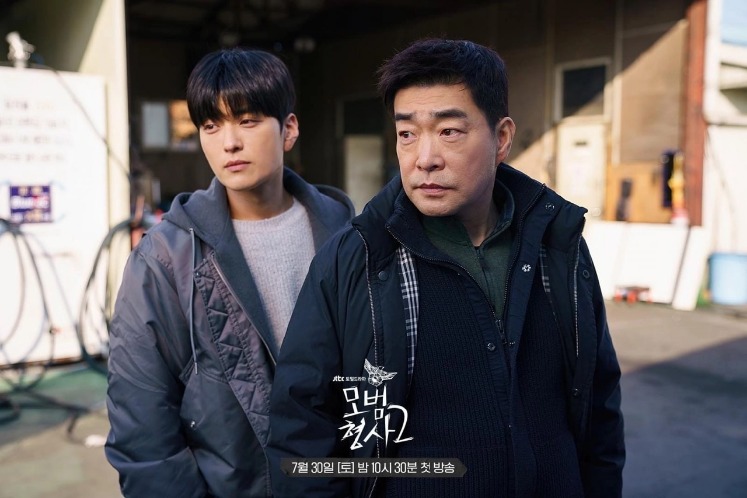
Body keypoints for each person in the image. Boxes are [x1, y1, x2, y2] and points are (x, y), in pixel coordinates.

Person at [267, 38, 625, 498]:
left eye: (449, 131)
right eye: (407, 134)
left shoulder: (557, 245)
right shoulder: (358, 257)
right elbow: (301, 425)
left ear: (501, 138)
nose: (425, 158)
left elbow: (599, 405)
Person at [105, 48, 354, 498]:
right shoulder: (166, 259)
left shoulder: (344, 233)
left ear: (289, 129)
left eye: (248, 120)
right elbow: (142, 428)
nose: (229, 143)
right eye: (211, 125)